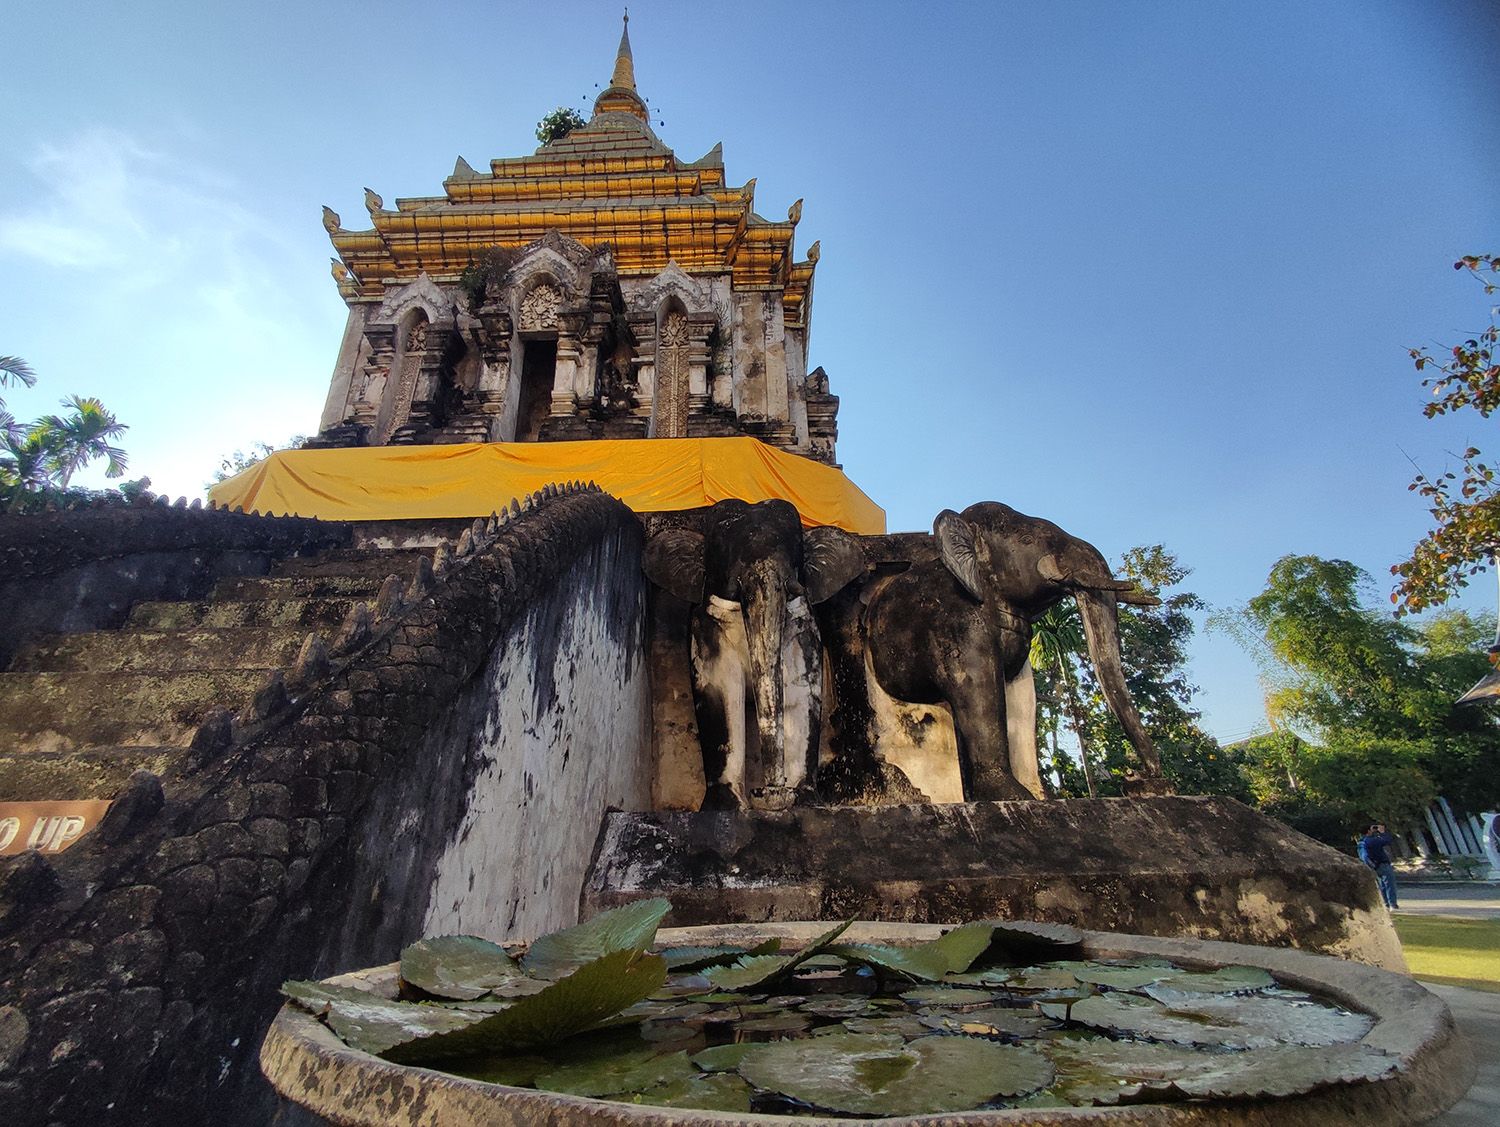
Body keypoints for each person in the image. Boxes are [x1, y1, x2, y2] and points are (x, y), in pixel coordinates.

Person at [1358, 823, 1400, 910]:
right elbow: (1387, 840)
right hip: (1382, 864)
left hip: (1374, 866)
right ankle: (1392, 904)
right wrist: (1382, 832)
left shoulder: (1362, 842)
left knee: (1382, 885)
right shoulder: (1372, 840)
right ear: (1368, 831)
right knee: (1389, 884)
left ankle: (1386, 904)